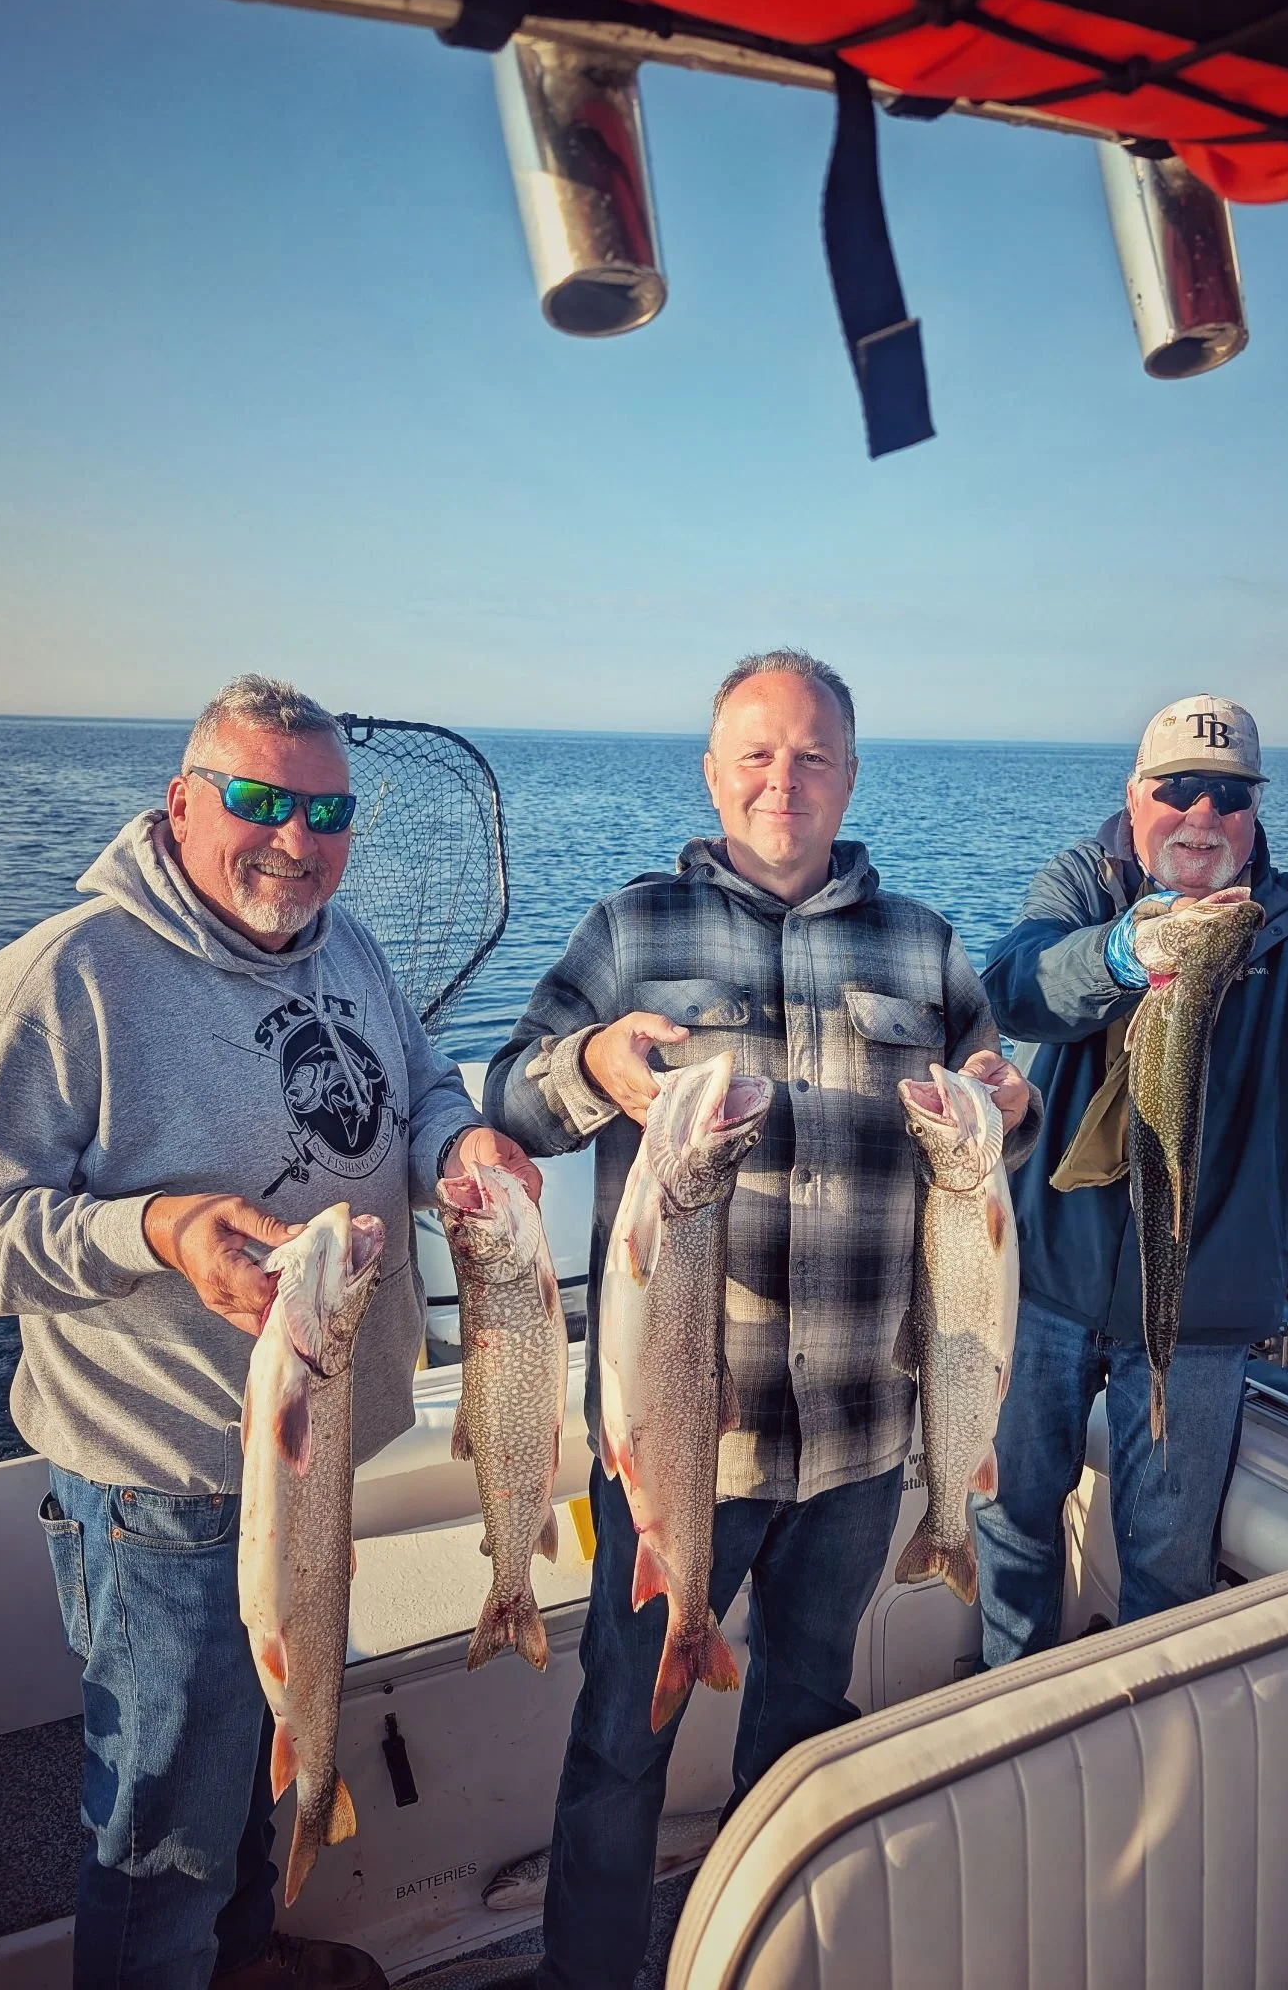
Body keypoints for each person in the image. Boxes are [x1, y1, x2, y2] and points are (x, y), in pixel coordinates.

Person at [0, 675, 538, 1990]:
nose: (297, 837)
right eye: (261, 800)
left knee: (264, 1761)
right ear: (181, 803)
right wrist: (157, 1231)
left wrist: (461, 1143)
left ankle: (242, 1961)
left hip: (316, 1444)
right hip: (166, 1488)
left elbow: (427, 1078)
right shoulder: (65, 980)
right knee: (162, 1825)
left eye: (326, 809)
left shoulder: (348, 945)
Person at [484, 648, 1041, 1990]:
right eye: (755, 753)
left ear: (849, 776)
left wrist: (1004, 1111)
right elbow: (512, 1096)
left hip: (860, 1437)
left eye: (810, 756)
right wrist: (588, 1065)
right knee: (623, 1732)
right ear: (712, 771)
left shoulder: (925, 943)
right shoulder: (630, 931)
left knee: (805, 1727)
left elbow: (987, 1132)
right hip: (683, 1450)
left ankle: (766, 1966)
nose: (781, 778)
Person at [972, 692, 1288, 1663]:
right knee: (1012, 1520)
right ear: (1136, 794)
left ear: (1255, 810)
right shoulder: (1088, 881)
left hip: (1207, 1317)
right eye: (1179, 788)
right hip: (1045, 1291)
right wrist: (1122, 952)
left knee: (1168, 1564)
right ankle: (1004, 1706)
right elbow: (1015, 985)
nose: (1202, 814)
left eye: (1228, 794)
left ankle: (1145, 1744)